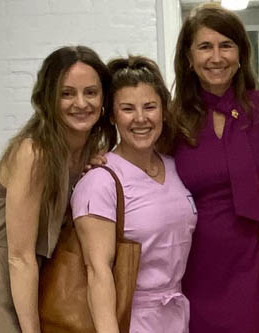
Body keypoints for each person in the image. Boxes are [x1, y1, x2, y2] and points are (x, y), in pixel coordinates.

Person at [0, 45, 116, 332]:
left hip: (44, 282)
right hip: (2, 283)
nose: (81, 103)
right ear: (48, 98)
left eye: (91, 92)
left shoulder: (89, 152)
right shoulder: (34, 153)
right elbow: (19, 257)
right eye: (66, 93)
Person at [172, 3, 259, 332]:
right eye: (205, 46)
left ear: (241, 53)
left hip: (254, 263)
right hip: (195, 265)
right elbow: (142, 167)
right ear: (189, 58)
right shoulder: (172, 119)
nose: (216, 57)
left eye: (226, 45)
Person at [71, 55, 197, 333]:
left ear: (163, 110)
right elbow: (97, 272)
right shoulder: (100, 181)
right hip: (130, 318)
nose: (141, 119)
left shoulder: (176, 167)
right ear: (113, 116)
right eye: (128, 109)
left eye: (150, 107)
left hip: (176, 316)